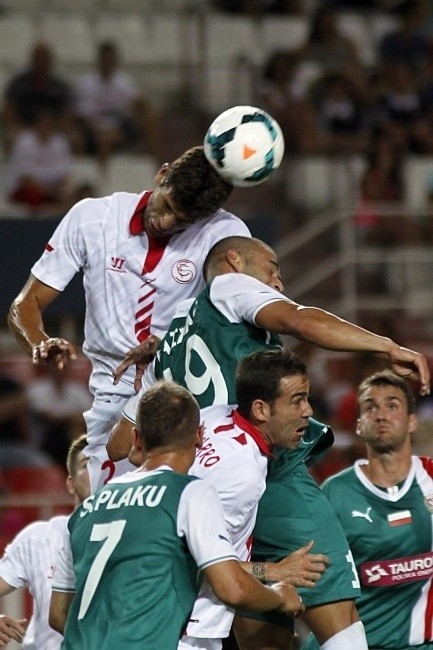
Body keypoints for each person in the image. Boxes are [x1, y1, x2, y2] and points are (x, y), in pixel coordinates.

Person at [109, 235, 429, 649]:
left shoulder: (168, 344)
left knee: (266, 633)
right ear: (235, 259)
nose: (277, 283)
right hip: (270, 468)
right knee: (341, 621)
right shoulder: (226, 286)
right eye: (272, 268)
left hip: (203, 484)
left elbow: (120, 445)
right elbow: (299, 319)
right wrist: (384, 345)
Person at [7, 145, 250, 494]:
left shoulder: (224, 232)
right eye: (166, 206)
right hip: (113, 399)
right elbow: (25, 304)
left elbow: (235, 316)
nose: (166, 222)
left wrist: (169, 344)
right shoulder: (93, 218)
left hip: (192, 397)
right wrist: (38, 341)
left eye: (181, 221)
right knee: (102, 512)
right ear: (162, 174)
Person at [48, 381, 303, 649]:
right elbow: (232, 588)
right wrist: (279, 596)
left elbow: (58, 614)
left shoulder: (87, 508)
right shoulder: (190, 494)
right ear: (199, 436)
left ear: (136, 438)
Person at [302, 369, 433, 650]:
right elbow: (311, 578)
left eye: (392, 406)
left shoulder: (431, 477)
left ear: (412, 421)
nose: (382, 415)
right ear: (359, 425)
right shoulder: (335, 494)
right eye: (371, 407)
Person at [0, 433, 90, 649]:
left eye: (104, 465)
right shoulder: (39, 537)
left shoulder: (135, 536)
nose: (98, 472)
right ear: (71, 483)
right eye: (88, 464)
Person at [72, 40, 162, 164]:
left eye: (111, 59)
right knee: (104, 139)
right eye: (105, 59)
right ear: (100, 60)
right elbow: (82, 115)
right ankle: (101, 176)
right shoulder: (86, 83)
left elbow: (138, 102)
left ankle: (154, 165)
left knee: (151, 118)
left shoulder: (123, 82)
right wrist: (98, 129)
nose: (108, 63)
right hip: (93, 128)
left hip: (119, 126)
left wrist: (145, 109)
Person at [26, 365, 92, 467]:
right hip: (46, 440)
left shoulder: (78, 390)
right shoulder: (36, 389)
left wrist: (75, 419)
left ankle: (78, 460)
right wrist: (72, 418)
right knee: (72, 426)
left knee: (79, 427)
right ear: (48, 367)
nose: (59, 369)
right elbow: (48, 417)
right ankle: (78, 462)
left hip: (74, 435)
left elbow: (92, 417)